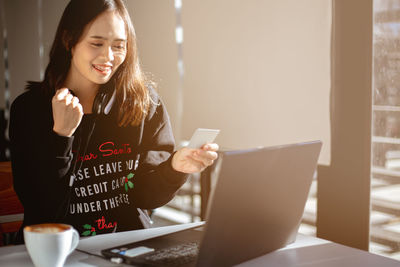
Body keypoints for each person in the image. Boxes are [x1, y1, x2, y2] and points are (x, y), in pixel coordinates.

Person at [9, 0, 218, 243]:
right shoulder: (30, 110)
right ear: (69, 40)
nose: (108, 56)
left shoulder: (144, 103)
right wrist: (61, 137)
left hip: (128, 247)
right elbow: (43, 210)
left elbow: (145, 197)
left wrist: (175, 168)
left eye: (119, 46)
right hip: (57, 250)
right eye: (96, 43)